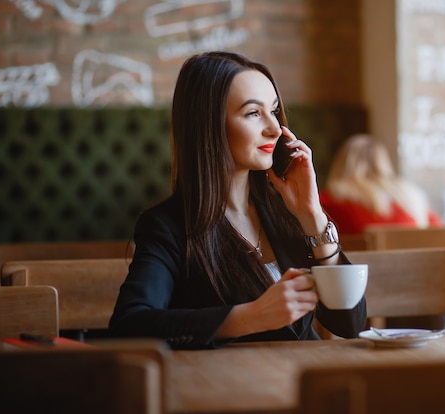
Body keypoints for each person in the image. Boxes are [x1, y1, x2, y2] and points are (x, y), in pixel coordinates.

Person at [108, 51, 366, 349]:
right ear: (210, 125)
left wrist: (312, 215)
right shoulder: (167, 226)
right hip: (230, 388)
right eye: (253, 113)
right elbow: (129, 326)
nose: (273, 128)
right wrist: (252, 316)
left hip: (307, 381)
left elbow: (349, 322)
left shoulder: (284, 211)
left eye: (274, 110)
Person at [319, 134, 442, 235]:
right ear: (384, 162)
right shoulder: (410, 194)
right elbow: (439, 231)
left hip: (361, 264)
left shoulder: (330, 199)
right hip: (415, 263)